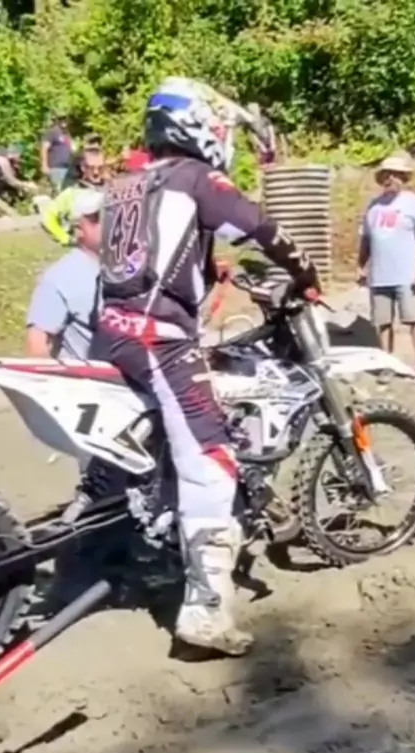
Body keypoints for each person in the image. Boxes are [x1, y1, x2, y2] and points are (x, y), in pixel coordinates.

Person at [91, 77, 319, 657]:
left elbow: (150, 253)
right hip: (159, 339)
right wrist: (306, 273)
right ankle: (207, 612)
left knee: (155, 449)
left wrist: (207, 266)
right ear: (198, 127)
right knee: (212, 460)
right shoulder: (195, 177)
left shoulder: (126, 184)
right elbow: (263, 228)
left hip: (112, 331)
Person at [358, 152, 415, 383]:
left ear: (403, 178)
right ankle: (387, 363)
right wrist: (361, 266)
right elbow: (366, 240)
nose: (390, 178)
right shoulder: (373, 207)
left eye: (395, 174)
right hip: (380, 275)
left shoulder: (414, 203)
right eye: (386, 175)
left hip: (406, 275)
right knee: (383, 323)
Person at [26, 188, 103, 359]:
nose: (108, 223)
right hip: (88, 374)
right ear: (78, 229)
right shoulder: (59, 277)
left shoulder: (133, 269)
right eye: (96, 219)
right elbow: (38, 346)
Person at [41, 147, 107, 246]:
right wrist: (65, 238)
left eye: (100, 168)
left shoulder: (112, 190)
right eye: (91, 168)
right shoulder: (72, 194)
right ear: (83, 168)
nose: (96, 172)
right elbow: (47, 217)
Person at [40, 113, 74, 193]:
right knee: (59, 191)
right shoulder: (52, 132)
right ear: (57, 121)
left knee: (67, 191)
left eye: (65, 119)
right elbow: (44, 148)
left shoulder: (66, 134)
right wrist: (44, 164)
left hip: (67, 168)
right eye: (61, 119)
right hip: (56, 167)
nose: (64, 121)